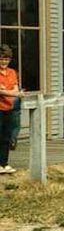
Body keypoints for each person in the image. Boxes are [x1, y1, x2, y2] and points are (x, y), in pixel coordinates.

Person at [0, 44, 22, 174]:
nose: (4, 62)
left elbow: (14, 87)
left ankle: (4, 163)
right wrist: (16, 94)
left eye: (7, 59)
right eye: (2, 59)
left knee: (7, 137)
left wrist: (14, 92)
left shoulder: (12, 72)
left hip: (9, 107)